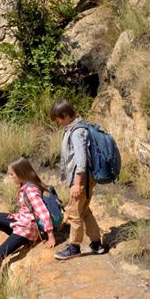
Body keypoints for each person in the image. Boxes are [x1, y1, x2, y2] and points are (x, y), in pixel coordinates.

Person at [0, 157, 55, 288]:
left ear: (21, 173)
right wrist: (17, 216)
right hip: (21, 220)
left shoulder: (30, 190)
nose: (11, 177)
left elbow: (43, 212)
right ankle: (16, 238)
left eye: (12, 174)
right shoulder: (25, 185)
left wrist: (51, 236)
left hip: (26, 229)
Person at [50, 99, 107, 260]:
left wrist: (76, 183)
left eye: (59, 119)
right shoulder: (75, 128)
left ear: (67, 115)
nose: (58, 123)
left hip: (81, 179)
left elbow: (81, 160)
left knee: (74, 213)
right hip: (86, 179)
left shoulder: (77, 132)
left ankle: (74, 247)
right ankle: (96, 244)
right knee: (84, 211)